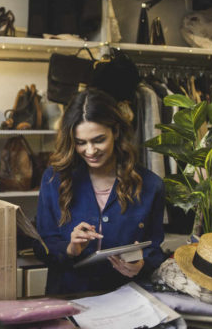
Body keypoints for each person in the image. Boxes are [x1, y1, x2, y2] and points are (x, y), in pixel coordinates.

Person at [34, 88, 166, 294]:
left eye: (98, 140)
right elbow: (42, 245)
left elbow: (154, 249)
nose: (90, 151)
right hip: (69, 298)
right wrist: (70, 249)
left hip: (126, 298)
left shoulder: (150, 185)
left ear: (116, 131)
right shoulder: (54, 179)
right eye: (80, 143)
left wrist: (141, 264)